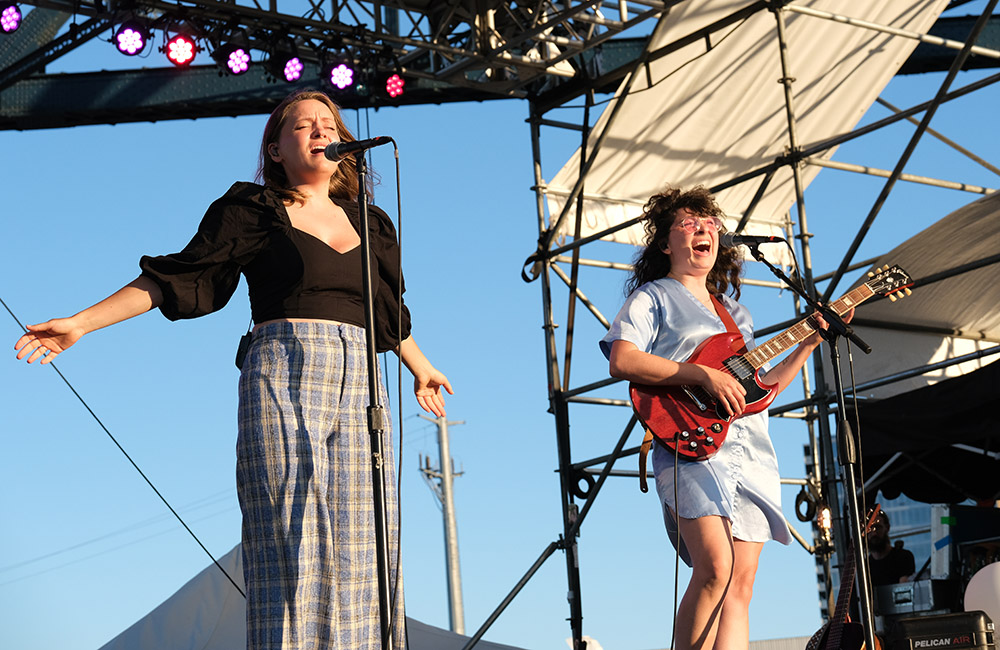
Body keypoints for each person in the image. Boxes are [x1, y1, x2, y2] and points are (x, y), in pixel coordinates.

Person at [14, 89, 452, 650]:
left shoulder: (374, 225)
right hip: (286, 371)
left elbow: (387, 315)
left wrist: (422, 367)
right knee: (293, 545)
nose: (320, 130)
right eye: (303, 126)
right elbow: (178, 277)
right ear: (274, 149)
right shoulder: (254, 210)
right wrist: (81, 322)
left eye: (328, 123)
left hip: (363, 381)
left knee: (367, 548)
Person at [600, 186, 845, 650]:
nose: (703, 230)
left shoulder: (736, 313)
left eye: (709, 223)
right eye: (688, 223)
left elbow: (757, 392)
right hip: (692, 442)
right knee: (714, 567)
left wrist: (808, 344)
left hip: (749, 446)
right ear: (665, 243)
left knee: (741, 586)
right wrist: (701, 376)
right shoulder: (654, 298)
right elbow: (623, 359)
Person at [868, 510, 915, 585]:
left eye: (878, 527)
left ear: (887, 528)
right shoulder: (865, 568)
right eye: (869, 529)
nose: (874, 534)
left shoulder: (904, 557)